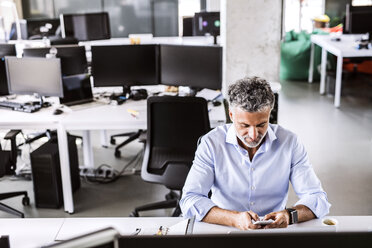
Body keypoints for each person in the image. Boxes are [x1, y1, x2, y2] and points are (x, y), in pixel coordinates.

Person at [180, 76, 331, 230]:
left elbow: (317, 198)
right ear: (231, 115)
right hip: (224, 229)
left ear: (269, 113)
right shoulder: (211, 143)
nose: (253, 135)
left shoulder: (290, 143)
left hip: (273, 232)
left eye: (261, 124)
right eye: (244, 125)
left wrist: (289, 215)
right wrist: (234, 219)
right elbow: (190, 200)